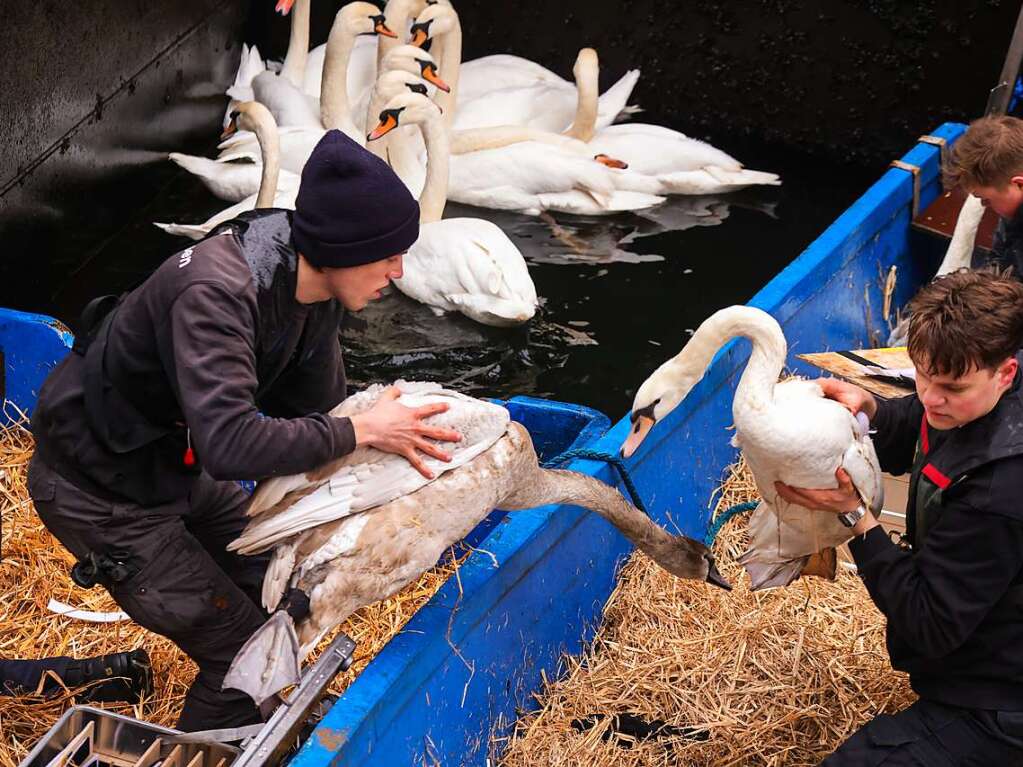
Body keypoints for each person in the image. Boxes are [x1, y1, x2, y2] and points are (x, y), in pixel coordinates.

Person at [26, 130, 462, 731]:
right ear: (342, 247)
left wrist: (365, 433)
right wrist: (361, 432)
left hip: (175, 466)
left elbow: (322, 408)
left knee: (285, 591)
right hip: (100, 489)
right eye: (387, 253)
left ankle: (270, 720)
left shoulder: (316, 283)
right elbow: (230, 445)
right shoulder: (217, 294)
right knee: (239, 655)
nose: (399, 271)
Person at [775, 268, 1023, 765]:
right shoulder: (983, 393)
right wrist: (875, 411)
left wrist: (857, 521)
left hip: (1001, 706)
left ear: (1006, 373)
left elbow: (928, 625)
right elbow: (927, 420)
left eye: (950, 386)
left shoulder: (996, 490)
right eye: (923, 375)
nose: (931, 397)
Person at [943, 115, 1023, 273]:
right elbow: (1000, 255)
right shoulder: (1015, 213)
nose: (983, 205)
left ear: (1019, 184)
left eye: (986, 200)